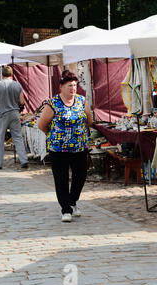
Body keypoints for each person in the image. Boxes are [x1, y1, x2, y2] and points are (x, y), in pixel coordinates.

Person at [38, 70, 93, 222]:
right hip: (59, 149)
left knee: (80, 176)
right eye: (69, 86)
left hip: (79, 147)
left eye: (75, 85)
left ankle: (72, 201)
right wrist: (54, 136)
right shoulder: (53, 103)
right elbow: (42, 125)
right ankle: (65, 209)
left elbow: (89, 120)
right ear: (61, 86)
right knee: (61, 179)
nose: (73, 89)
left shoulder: (82, 101)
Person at [0, 66, 28, 169]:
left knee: (0, 138)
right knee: (18, 137)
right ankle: (24, 160)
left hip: (2, 113)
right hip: (14, 113)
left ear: (2, 74)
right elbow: (22, 101)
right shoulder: (17, 85)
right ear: (11, 74)